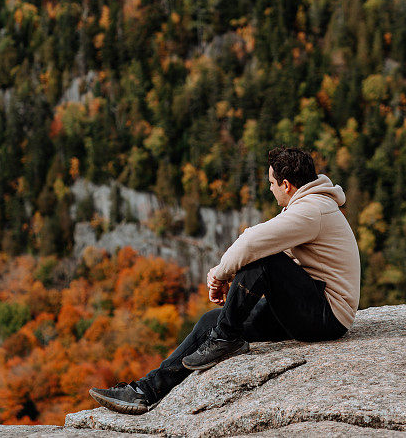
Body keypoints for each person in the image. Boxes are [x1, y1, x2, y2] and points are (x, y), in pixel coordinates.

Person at [89, 147, 361, 414]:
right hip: (312, 307)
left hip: (326, 316)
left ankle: (225, 339)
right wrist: (238, 288)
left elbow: (253, 242)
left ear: (286, 185)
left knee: (261, 259)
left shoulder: (312, 211)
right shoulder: (312, 206)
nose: (270, 189)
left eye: (271, 183)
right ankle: (146, 392)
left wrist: (220, 274)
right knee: (211, 322)